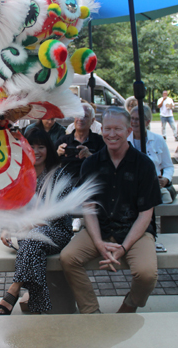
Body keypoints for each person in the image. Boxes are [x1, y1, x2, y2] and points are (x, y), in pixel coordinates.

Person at [60, 107, 161, 314]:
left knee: (147, 274)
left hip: (135, 230)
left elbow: (145, 214)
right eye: (107, 129)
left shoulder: (144, 164)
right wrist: (98, 242)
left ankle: (129, 305)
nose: (112, 134)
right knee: (68, 258)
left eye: (118, 129)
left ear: (128, 130)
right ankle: (91, 311)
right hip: (101, 227)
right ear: (101, 129)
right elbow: (89, 207)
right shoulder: (91, 163)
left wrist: (123, 247)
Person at [0, 128, 74, 315]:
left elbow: (57, 214)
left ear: (49, 149)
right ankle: (38, 306)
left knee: (32, 239)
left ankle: (13, 290)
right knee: (32, 242)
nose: (36, 151)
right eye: (31, 146)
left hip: (56, 232)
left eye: (41, 146)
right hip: (27, 235)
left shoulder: (60, 175)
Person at [128, 105, 176, 204]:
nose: (134, 122)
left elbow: (168, 166)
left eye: (138, 119)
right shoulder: (124, 140)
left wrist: (165, 179)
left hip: (154, 186)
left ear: (148, 122)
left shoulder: (158, 140)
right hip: (130, 187)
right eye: (132, 118)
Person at [56, 103, 105, 182]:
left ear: (92, 121)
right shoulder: (63, 141)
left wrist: (90, 156)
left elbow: (106, 166)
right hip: (66, 185)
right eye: (78, 115)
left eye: (85, 116)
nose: (81, 119)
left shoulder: (100, 141)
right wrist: (57, 154)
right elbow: (48, 164)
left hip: (90, 185)